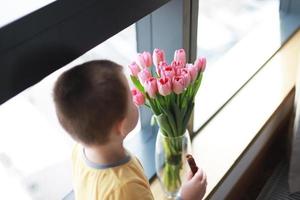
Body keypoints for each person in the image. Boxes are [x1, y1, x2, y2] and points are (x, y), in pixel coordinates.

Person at [53, 60, 207, 200]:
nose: (136, 98)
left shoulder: (79, 152)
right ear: (121, 125)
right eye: (131, 99)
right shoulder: (125, 187)